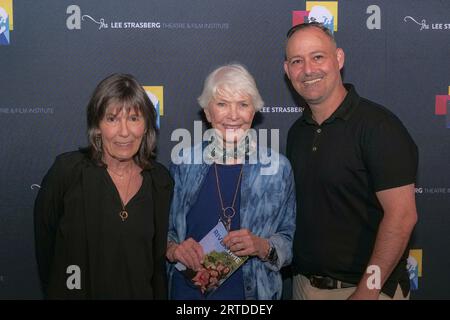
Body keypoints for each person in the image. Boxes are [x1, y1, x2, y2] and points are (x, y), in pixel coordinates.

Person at [284, 22, 418, 300]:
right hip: (303, 287)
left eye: (317, 56)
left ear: (339, 59)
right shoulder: (297, 132)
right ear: (287, 71)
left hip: (366, 291)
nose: (308, 69)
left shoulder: (379, 127)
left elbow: (402, 217)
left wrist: (367, 291)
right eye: (297, 61)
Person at [34, 73, 173, 299]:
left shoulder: (160, 181)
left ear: (147, 126)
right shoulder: (67, 172)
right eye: (112, 119)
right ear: (97, 125)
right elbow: (45, 250)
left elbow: (157, 268)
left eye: (134, 119)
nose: (124, 131)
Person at [166, 63, 296, 300]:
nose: (233, 115)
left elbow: (289, 241)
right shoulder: (184, 163)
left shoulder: (278, 169)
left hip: (253, 295)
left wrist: (262, 246)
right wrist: (174, 249)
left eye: (243, 105)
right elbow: (163, 232)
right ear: (207, 112)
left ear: (253, 112)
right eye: (222, 104)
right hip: (188, 295)